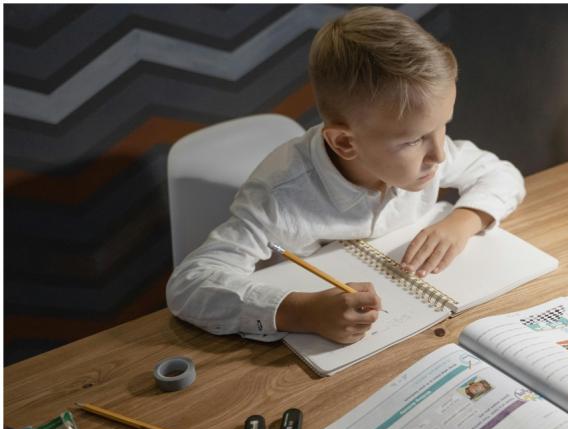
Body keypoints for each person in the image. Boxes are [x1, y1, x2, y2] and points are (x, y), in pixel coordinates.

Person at [166, 6, 525, 345]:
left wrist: (463, 221)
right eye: (415, 139)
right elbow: (187, 287)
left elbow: (502, 175)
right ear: (344, 143)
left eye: (443, 127)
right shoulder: (278, 197)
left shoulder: (429, 155)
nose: (440, 154)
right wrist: (301, 312)